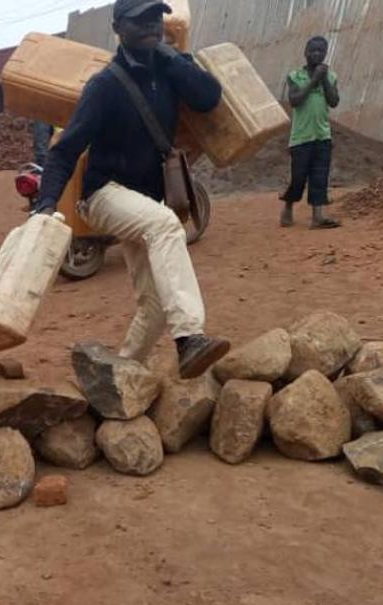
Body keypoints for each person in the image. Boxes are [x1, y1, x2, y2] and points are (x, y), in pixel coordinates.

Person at [34, 0, 230, 379]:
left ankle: (119, 375)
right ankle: (189, 337)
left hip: (146, 200)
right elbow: (65, 151)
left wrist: (172, 59)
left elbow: (209, 97)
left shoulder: (170, 68)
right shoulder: (104, 86)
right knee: (165, 226)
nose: (151, 25)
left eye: (156, 17)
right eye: (140, 20)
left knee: (154, 306)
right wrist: (45, 205)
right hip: (103, 195)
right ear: (118, 29)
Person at [281, 36, 341, 229]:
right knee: (298, 178)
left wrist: (323, 80)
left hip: (322, 136)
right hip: (301, 138)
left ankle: (318, 216)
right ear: (305, 52)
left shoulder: (330, 76)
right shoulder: (295, 76)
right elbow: (295, 100)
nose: (316, 54)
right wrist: (313, 80)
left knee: (319, 177)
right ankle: (288, 205)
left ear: (325, 53)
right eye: (312, 50)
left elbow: (333, 101)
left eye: (320, 51)